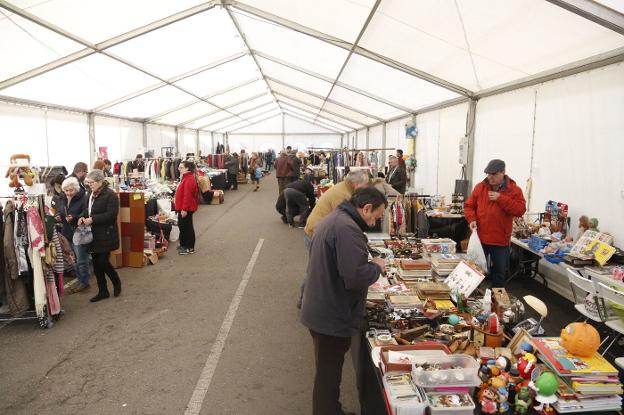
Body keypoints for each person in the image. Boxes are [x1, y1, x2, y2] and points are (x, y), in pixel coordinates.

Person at [300, 187, 387, 415]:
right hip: (331, 314)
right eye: (377, 215)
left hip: (323, 306)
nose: (376, 221)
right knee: (328, 373)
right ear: (366, 208)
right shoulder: (347, 228)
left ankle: (331, 409)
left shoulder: (339, 219)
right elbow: (356, 276)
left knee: (327, 371)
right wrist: (376, 267)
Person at [464, 159, 526, 287]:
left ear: (503, 172)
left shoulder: (514, 190)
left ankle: (496, 303)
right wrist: (472, 219)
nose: (490, 177)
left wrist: (501, 198)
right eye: (488, 174)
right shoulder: (480, 187)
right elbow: (469, 206)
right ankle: (471, 299)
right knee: (474, 270)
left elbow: (520, 210)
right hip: (480, 238)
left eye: (494, 174)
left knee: (499, 273)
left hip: (500, 240)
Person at [78, 170, 122, 302]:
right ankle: (103, 291)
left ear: (99, 182)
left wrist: (93, 219)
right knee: (97, 264)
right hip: (93, 234)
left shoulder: (111, 195)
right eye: (88, 183)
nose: (89, 185)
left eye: (91, 182)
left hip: (106, 233)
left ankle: (116, 281)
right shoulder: (90, 194)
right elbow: (87, 210)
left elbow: (111, 215)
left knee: (102, 261)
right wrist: (81, 217)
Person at [304, 170, 370, 248]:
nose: (367, 188)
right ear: (356, 184)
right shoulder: (343, 195)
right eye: (366, 184)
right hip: (317, 233)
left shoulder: (344, 188)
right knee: (323, 259)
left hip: (317, 230)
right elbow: (343, 223)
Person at [56, 177, 90, 292]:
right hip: (67, 231)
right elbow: (61, 211)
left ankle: (84, 282)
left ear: (76, 188)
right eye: (66, 191)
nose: (68, 193)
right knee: (73, 259)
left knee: (81, 259)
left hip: (79, 231)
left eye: (71, 190)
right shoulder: (63, 198)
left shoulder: (84, 198)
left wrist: (75, 217)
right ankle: (81, 279)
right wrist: (59, 216)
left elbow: (86, 212)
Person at [175, 161, 199, 255]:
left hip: (186, 208)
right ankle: (183, 244)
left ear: (187, 169)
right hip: (182, 207)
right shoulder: (185, 178)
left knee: (187, 227)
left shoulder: (189, 179)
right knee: (182, 226)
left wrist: (184, 209)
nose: (178, 169)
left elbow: (187, 196)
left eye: (181, 167)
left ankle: (189, 247)